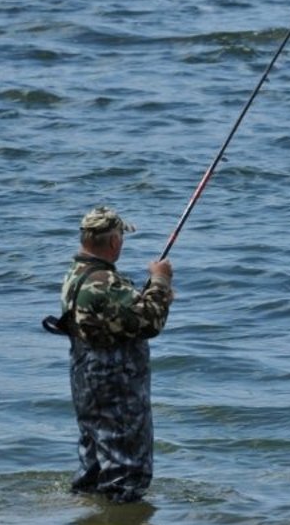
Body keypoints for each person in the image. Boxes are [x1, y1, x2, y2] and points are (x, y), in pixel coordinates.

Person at [59, 205, 175, 503]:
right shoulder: (105, 283)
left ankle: (88, 514)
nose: (121, 243)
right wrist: (160, 280)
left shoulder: (75, 274)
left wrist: (145, 294)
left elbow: (119, 317)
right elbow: (150, 322)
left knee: (94, 465)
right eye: (121, 237)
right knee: (127, 472)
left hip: (87, 382)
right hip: (116, 388)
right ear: (113, 242)